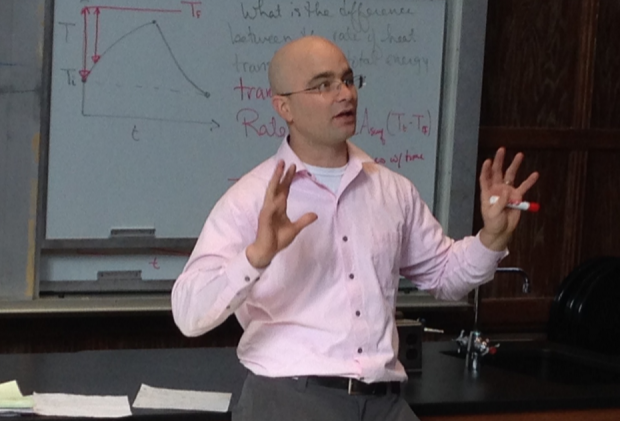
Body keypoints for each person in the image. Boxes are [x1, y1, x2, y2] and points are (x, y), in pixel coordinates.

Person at [171, 36, 539, 421]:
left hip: (384, 402)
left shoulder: (392, 190)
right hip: (290, 400)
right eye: (323, 84)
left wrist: (493, 236)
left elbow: (445, 276)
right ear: (284, 107)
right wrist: (255, 257)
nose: (344, 94)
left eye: (347, 80)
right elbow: (188, 313)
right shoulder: (252, 198)